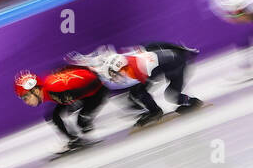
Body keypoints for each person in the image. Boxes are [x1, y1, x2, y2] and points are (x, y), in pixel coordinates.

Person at [69, 43, 204, 127]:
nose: (115, 77)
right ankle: (156, 110)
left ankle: (189, 103)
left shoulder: (138, 68)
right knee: (140, 91)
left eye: (114, 74)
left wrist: (98, 74)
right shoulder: (127, 60)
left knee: (168, 96)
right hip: (170, 60)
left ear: (122, 68)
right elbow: (113, 61)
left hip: (177, 66)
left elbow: (121, 86)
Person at [13, 65, 106, 150]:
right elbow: (65, 68)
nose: (26, 102)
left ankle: (84, 131)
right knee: (54, 116)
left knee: (80, 122)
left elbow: (90, 87)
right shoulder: (50, 89)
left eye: (25, 97)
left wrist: (100, 77)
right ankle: (75, 139)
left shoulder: (55, 91)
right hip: (87, 87)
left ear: (36, 91)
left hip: (98, 89)